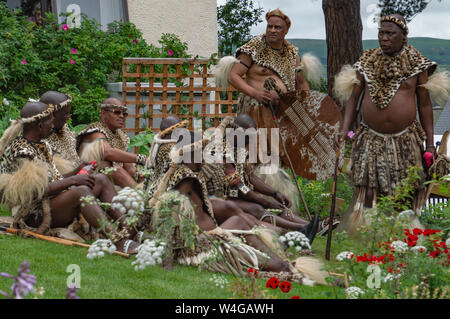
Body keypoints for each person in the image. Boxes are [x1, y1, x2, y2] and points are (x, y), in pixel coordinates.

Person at [334, 14, 448, 235]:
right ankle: (366, 234)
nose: (384, 38)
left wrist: (430, 145)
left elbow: (424, 106)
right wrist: (344, 131)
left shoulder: (417, 64)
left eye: (390, 34)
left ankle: (402, 237)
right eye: (381, 33)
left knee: (404, 189)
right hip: (370, 137)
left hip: (405, 139)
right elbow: (353, 102)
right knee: (368, 188)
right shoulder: (366, 62)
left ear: (403, 37)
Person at [0, 101, 139, 253]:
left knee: (100, 179)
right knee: (82, 192)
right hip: (32, 215)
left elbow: (54, 178)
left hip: (52, 202)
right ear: (39, 126)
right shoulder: (21, 151)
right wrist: (73, 180)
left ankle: (129, 229)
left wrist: (76, 171)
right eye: (50, 123)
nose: (53, 126)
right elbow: (37, 192)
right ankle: (117, 240)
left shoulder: (42, 144)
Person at [76, 97, 147, 188]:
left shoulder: (121, 136)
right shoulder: (95, 131)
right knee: (112, 169)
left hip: (112, 180)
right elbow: (107, 152)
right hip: (88, 179)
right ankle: (141, 194)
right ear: (103, 113)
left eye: (124, 114)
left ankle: (141, 192)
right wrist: (142, 158)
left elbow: (128, 166)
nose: (121, 116)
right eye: (116, 112)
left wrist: (137, 175)